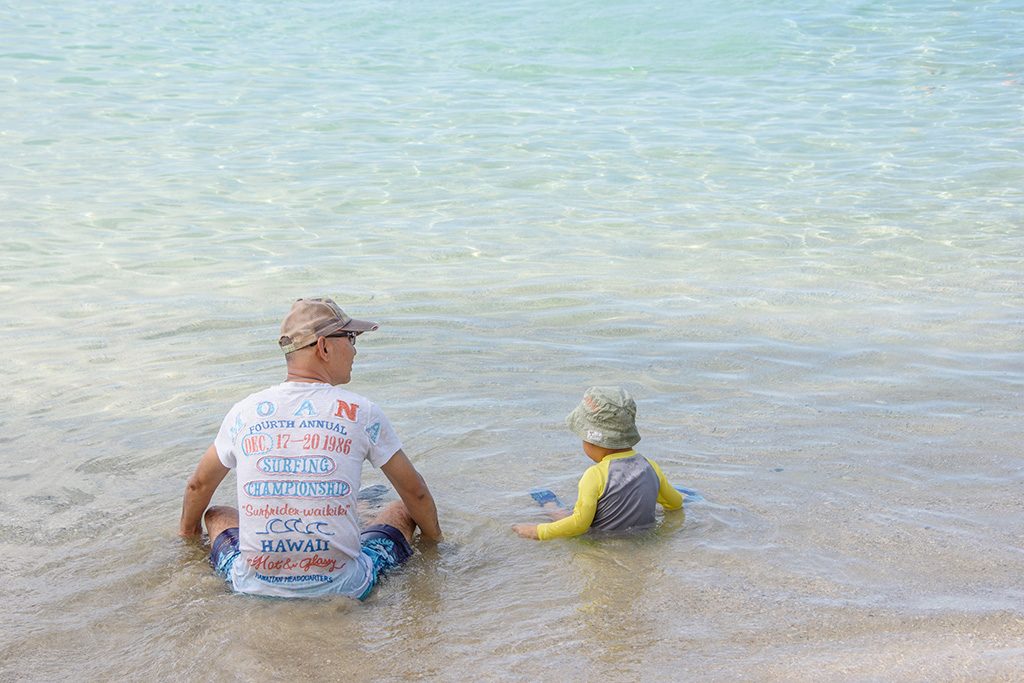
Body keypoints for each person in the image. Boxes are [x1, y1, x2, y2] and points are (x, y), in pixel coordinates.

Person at [179, 297, 442, 599]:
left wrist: (185, 538)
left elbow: (198, 485)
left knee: (217, 514)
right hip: (344, 586)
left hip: (254, 584)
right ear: (323, 347)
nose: (355, 349)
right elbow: (416, 492)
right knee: (402, 508)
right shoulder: (360, 411)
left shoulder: (243, 411)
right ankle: (356, 517)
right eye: (351, 338)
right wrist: (439, 544)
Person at [512, 386, 683, 540]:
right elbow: (675, 503)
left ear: (591, 440)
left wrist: (538, 531)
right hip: (641, 540)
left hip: (599, 540)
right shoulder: (650, 467)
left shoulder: (595, 475)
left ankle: (548, 502)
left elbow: (579, 525)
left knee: (565, 516)